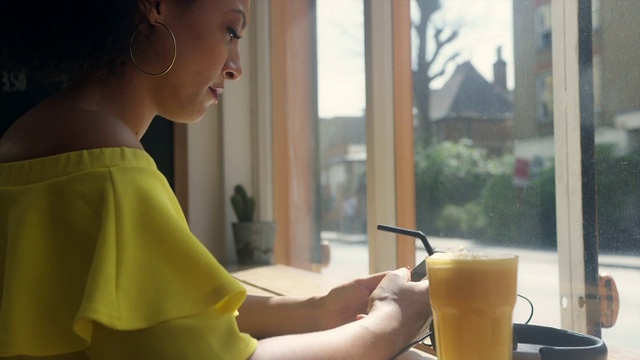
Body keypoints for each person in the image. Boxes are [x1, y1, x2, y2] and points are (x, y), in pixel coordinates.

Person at [0, 0, 431, 359]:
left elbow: (165, 315)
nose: (236, 67)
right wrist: (391, 322)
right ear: (155, 7)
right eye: (231, 29)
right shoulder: (110, 171)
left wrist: (321, 308)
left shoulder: (27, 140)